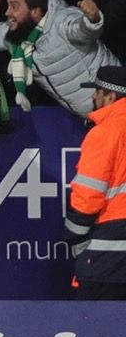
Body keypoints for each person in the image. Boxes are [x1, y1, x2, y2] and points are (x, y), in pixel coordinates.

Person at [65, 66, 126, 299]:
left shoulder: (105, 133)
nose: (93, 97)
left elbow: (88, 197)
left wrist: (75, 237)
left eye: (97, 91)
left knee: (96, 332)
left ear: (110, 96)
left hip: (107, 256)